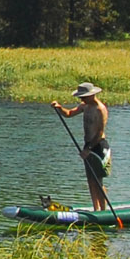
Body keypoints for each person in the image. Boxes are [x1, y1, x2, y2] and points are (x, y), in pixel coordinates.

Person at [49, 82, 111, 212]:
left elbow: (99, 133)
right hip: (87, 146)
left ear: (92, 95)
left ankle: (103, 211)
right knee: (90, 180)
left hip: (99, 147)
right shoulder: (85, 106)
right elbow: (69, 114)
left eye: (83, 97)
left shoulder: (100, 109)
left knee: (98, 181)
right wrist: (59, 108)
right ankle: (95, 209)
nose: (81, 99)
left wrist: (88, 150)